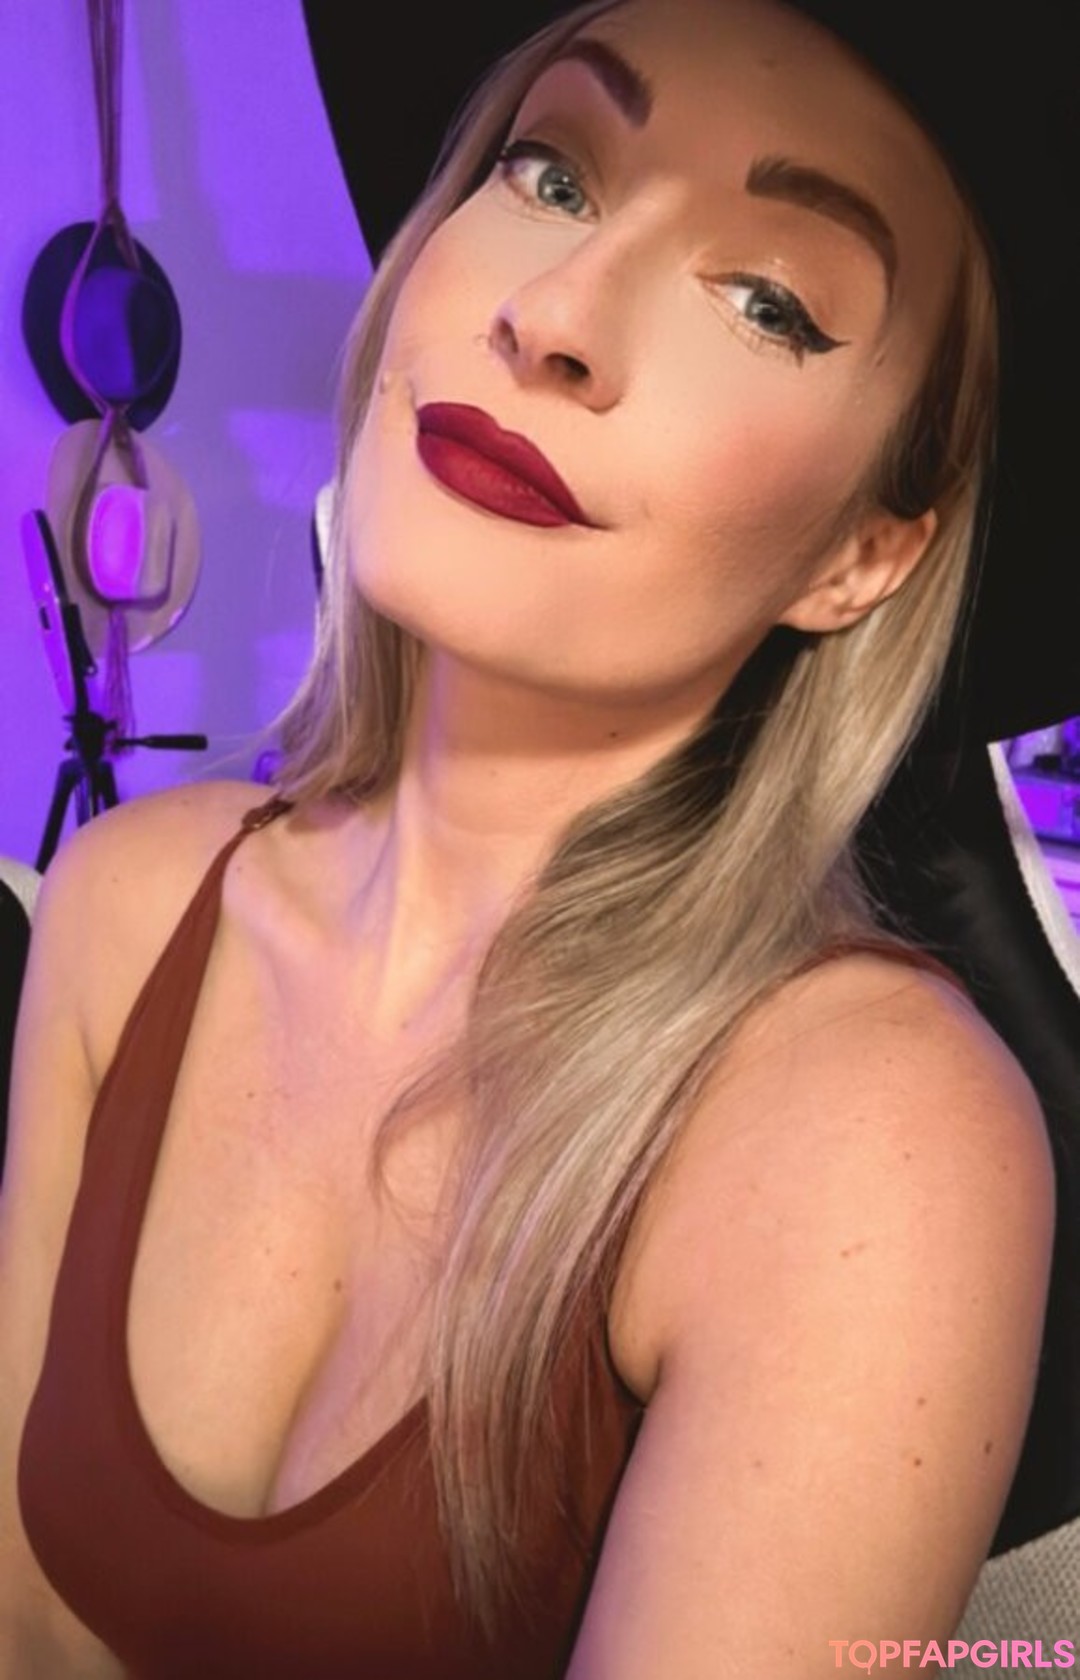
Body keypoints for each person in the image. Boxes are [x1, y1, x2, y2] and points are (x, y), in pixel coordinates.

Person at [0, 0, 1069, 1674]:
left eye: (769, 301)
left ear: (861, 557)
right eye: (551, 174)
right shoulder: (126, 898)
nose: (555, 314)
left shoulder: (872, 1136)